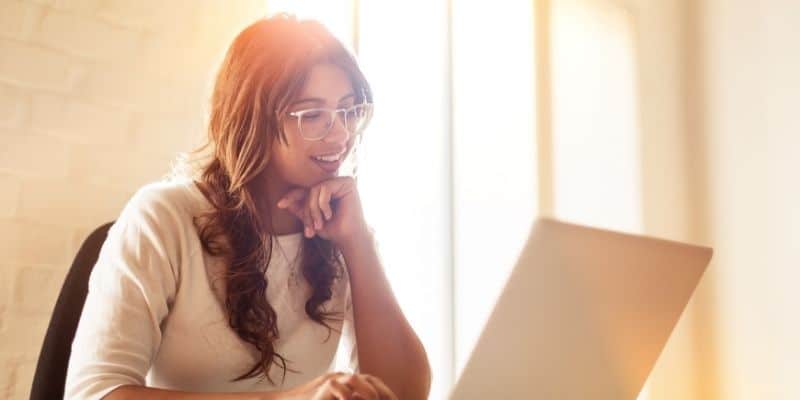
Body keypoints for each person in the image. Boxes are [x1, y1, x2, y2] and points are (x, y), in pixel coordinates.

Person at [65, 14, 431, 400]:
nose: (340, 134)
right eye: (312, 115)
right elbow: (95, 393)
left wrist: (357, 246)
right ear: (252, 119)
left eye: (348, 111)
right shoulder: (164, 217)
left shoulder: (341, 227)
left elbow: (405, 393)